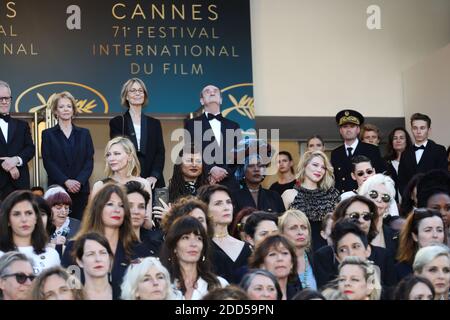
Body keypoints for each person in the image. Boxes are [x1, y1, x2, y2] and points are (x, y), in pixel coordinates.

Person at [62, 184, 157, 299]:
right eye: (110, 204)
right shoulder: (75, 248)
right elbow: (70, 290)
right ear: (98, 208)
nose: (116, 210)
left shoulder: (138, 250)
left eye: (121, 206)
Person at [41, 91, 94, 220]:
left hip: (80, 191)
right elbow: (48, 162)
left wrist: (79, 182)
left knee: (79, 227)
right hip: (58, 190)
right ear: (55, 111)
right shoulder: (47, 134)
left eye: (69, 106)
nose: (66, 109)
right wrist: (66, 181)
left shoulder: (84, 133)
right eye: (61, 107)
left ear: (73, 110)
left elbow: (89, 161)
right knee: (57, 226)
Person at [109, 78, 165, 189]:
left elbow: (160, 152)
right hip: (127, 177)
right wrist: (133, 175)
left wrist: (154, 175)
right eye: (133, 90)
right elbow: (118, 151)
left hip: (153, 181)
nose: (137, 93)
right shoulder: (117, 122)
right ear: (126, 96)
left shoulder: (155, 123)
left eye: (140, 90)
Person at [184, 84, 242, 191]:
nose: (212, 93)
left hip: (230, 184)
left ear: (220, 100)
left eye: (215, 91)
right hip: (204, 182)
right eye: (207, 91)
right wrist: (211, 169)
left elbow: (238, 154)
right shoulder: (191, 124)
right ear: (202, 101)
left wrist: (224, 172)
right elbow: (192, 152)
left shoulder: (234, 126)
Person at [314, 217, 396, 290]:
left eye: (356, 246)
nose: (351, 254)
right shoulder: (329, 293)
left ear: (367, 250)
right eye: (343, 250)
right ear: (337, 257)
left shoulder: (386, 293)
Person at [282, 150, 340, 251]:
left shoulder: (332, 195)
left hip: (327, 251)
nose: (319, 170)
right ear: (305, 166)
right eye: (315, 165)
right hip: (299, 250)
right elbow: (281, 229)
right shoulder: (289, 195)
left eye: (323, 167)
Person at [160, 216, 229, 300]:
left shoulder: (219, 285)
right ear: (174, 246)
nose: (193, 244)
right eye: (185, 237)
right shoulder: (162, 286)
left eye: (199, 238)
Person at [198, 185, 253, 283]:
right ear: (205, 209)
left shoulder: (247, 248)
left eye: (228, 202)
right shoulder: (200, 247)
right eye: (218, 203)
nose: (226, 207)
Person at [0, 190, 60, 274]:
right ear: (8, 220)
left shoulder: (51, 255)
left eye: (29, 213)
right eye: (17, 214)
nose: (24, 219)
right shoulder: (1, 255)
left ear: (36, 218)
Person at [331, 109, 386, 193]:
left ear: (358, 130)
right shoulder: (335, 153)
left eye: (352, 126)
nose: (348, 130)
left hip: (365, 196)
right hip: (343, 199)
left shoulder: (372, 150)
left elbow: (379, 177)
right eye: (345, 127)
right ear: (340, 131)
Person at [0, 80, 35, 200]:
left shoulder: (22, 125)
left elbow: (30, 149)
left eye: (7, 98)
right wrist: (8, 165)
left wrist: (16, 160)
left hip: (20, 185)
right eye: (0, 99)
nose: (4, 102)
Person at [398, 113, 447, 195]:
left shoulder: (439, 150)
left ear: (429, 130)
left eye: (422, 128)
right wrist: (408, 197)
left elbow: (442, 177)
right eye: (415, 128)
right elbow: (401, 180)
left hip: (432, 199)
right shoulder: (405, 153)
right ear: (411, 129)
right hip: (411, 202)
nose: (418, 132)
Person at [396, 208, 447, 281]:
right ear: (415, 236)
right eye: (428, 230)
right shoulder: (399, 270)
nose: (435, 235)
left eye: (439, 230)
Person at [248, 235, 302, 300]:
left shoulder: (300, 295)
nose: (280, 258)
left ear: (292, 263)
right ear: (261, 264)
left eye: (285, 253)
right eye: (272, 254)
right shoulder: (253, 296)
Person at [358, 174, 400, 257]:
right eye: (373, 194)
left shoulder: (395, 236)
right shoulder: (352, 231)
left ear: (388, 206)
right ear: (363, 197)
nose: (379, 199)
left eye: (385, 197)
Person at [278, 209, 317, 290]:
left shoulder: (318, 260)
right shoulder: (278, 263)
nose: (300, 232)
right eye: (293, 228)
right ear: (282, 233)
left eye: (304, 227)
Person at [72, 232, 114, 300]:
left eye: (102, 253)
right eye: (90, 254)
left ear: (110, 258)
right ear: (80, 261)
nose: (98, 259)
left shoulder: (126, 294)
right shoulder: (72, 297)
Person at [384, 127, 413, 202]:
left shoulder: (414, 160)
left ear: (407, 141)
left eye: (401, 138)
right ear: (391, 142)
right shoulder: (385, 162)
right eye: (395, 138)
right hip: (391, 202)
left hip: (410, 202)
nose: (398, 140)